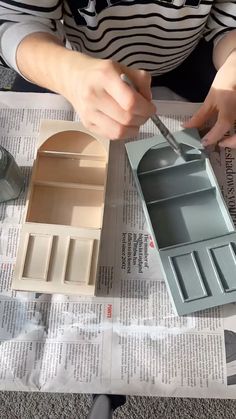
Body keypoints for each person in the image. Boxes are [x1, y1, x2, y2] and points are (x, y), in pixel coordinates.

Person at [0, 1, 235, 146]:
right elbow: (15, 21)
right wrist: (68, 74)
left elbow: (228, 20)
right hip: (82, 65)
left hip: (188, 56)